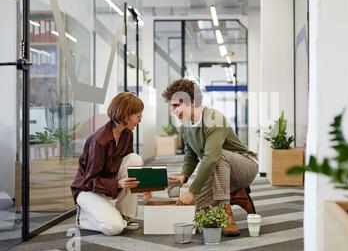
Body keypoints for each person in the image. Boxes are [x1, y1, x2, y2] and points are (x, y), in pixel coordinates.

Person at [162, 79, 258, 237]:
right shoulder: (186, 125)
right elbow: (190, 153)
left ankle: (225, 212)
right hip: (218, 171)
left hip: (245, 166)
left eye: (176, 105)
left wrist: (192, 191)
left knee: (216, 156)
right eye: (172, 106)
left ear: (192, 102)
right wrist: (183, 176)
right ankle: (216, 213)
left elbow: (211, 158)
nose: (173, 111)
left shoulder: (213, 118)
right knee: (198, 215)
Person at [71, 92, 151, 236]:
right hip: (87, 190)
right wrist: (118, 184)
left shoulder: (127, 134)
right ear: (126, 116)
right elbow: (89, 181)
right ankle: (82, 218)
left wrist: (144, 185)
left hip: (108, 186)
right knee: (115, 228)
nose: (139, 120)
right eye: (138, 116)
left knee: (135, 160)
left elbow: (129, 168)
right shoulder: (99, 141)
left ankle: (124, 214)